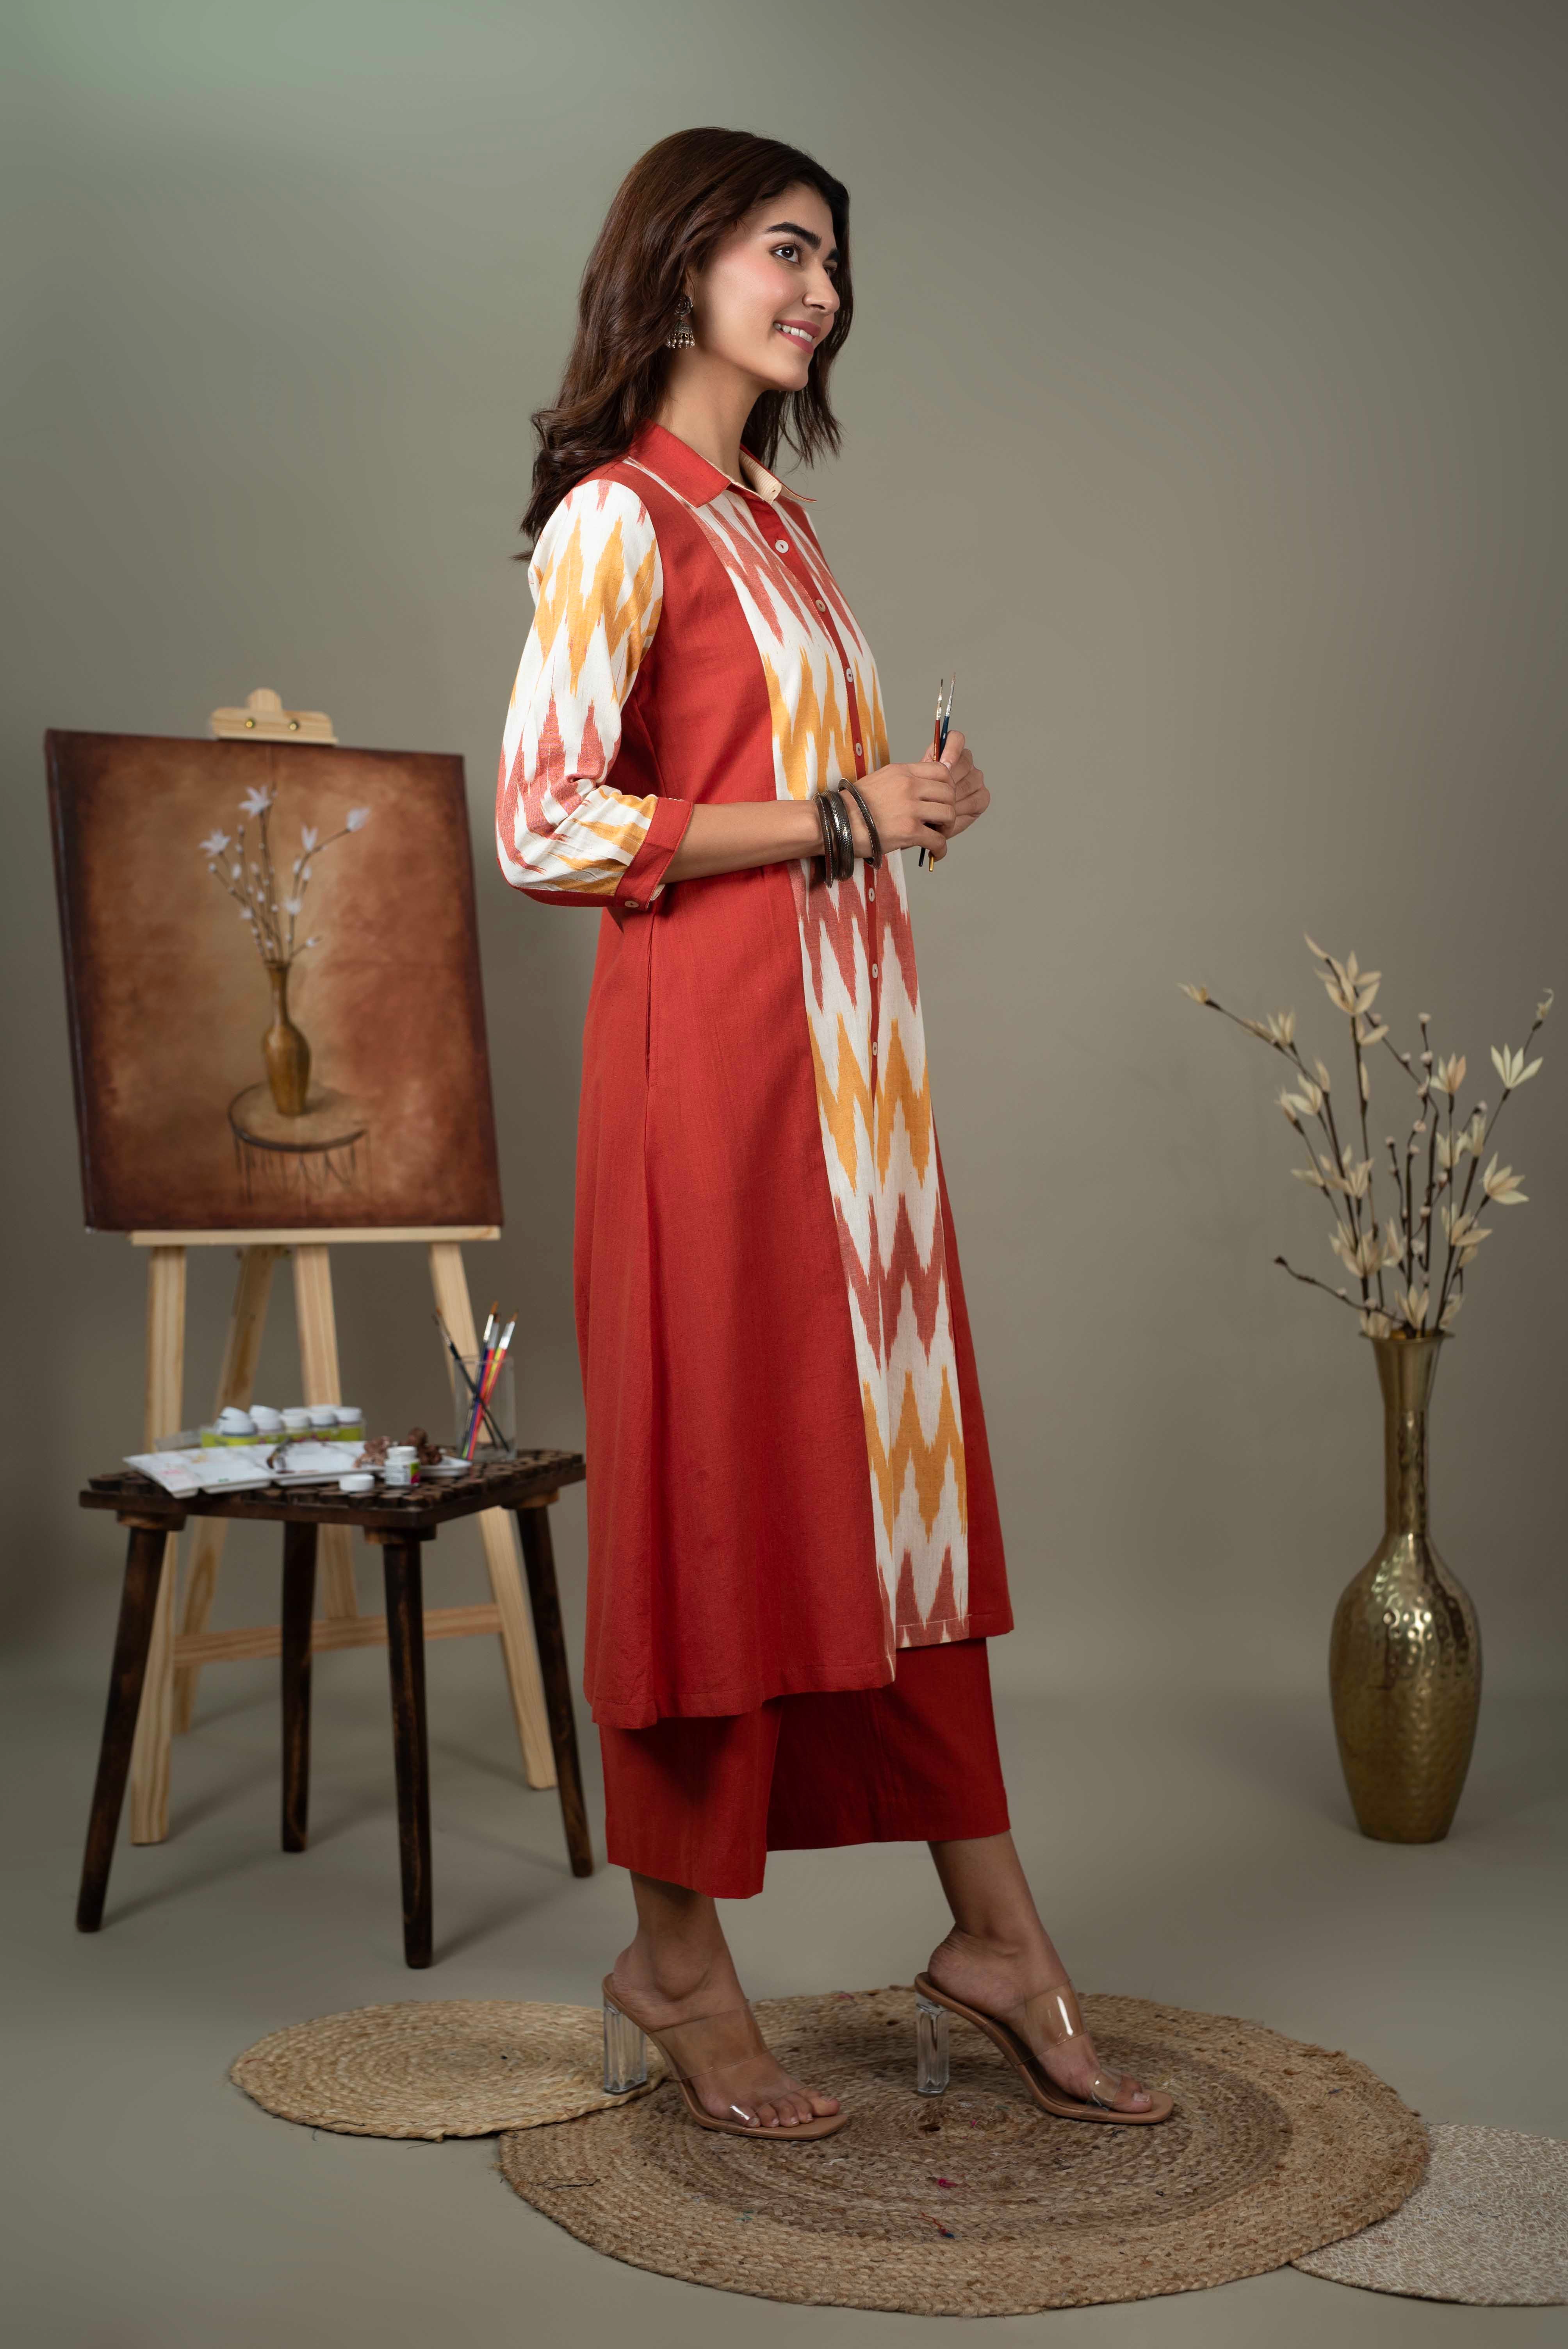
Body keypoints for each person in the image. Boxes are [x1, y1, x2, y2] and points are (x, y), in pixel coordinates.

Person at [497, 127, 1171, 2141]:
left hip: (857, 1086)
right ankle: (677, 1964)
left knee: (897, 1491)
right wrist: (835, 815)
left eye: (834, 262)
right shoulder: (618, 518)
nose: (821, 291)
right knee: (720, 1484)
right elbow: (545, 823)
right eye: (786, 251)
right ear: (681, 263)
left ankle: (998, 1938)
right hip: (713, 1084)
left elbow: (794, 797)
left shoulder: (774, 516)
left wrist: (901, 804)